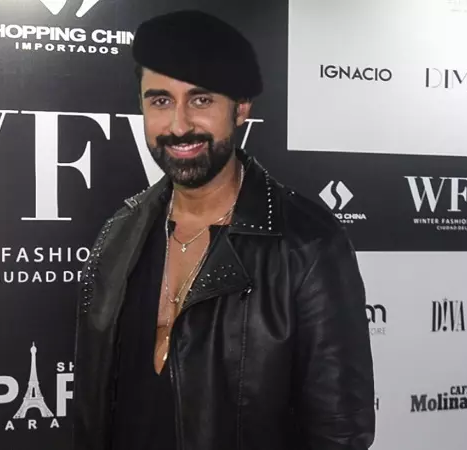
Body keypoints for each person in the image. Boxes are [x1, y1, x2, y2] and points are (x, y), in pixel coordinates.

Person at [73, 9, 375, 450]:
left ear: (241, 108)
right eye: (160, 101)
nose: (179, 125)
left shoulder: (307, 246)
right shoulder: (119, 233)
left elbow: (340, 433)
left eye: (201, 101)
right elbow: (93, 410)